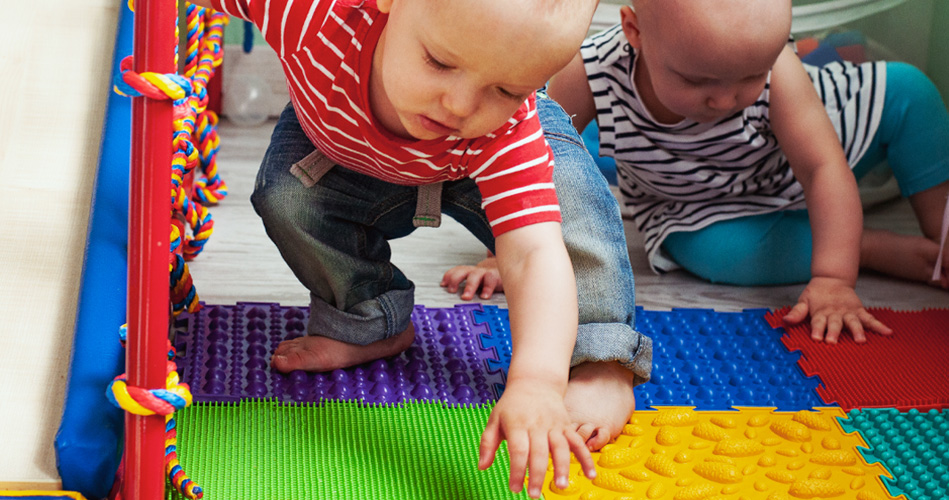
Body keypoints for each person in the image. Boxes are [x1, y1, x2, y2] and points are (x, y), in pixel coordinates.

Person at [191, 0, 652, 496]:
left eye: (506, 88)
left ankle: (602, 356)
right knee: (288, 199)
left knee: (572, 209)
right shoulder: (310, 16)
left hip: (477, 165)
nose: (458, 105)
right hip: (346, 155)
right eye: (440, 61)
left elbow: (533, 253)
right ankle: (368, 322)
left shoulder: (507, 127)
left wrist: (536, 381)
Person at [449, 0, 949, 344]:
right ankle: (872, 246)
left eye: (750, 75)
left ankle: (938, 233)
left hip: (812, 154)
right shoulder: (591, 71)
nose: (727, 99)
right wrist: (504, 252)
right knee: (716, 255)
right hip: (695, 203)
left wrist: (833, 279)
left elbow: (822, 169)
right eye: (697, 79)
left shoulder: (778, 71)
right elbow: (533, 161)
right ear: (633, 31)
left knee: (913, 93)